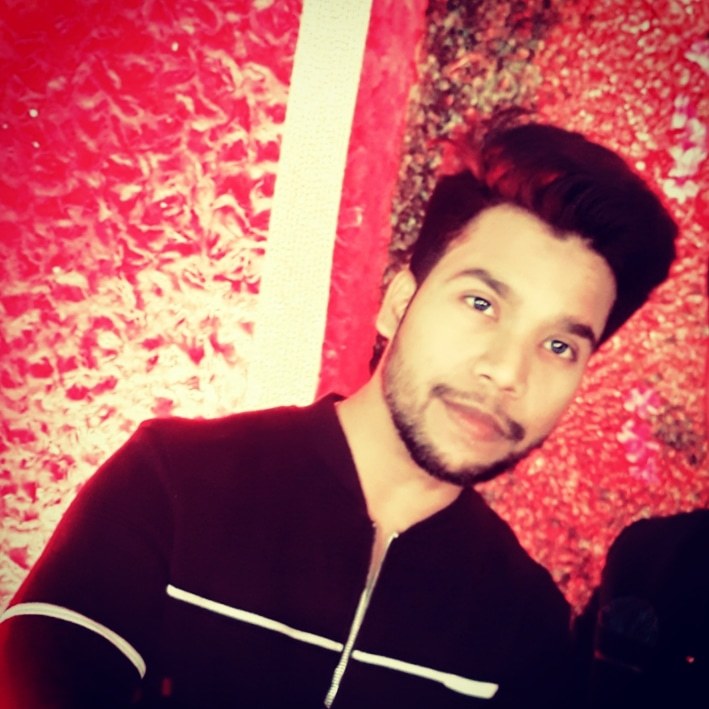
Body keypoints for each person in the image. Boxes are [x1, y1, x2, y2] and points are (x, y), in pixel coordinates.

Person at [0, 121, 677, 708]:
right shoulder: (173, 481)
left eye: (558, 345)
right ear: (398, 302)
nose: (508, 370)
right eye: (481, 304)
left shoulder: (527, 626)